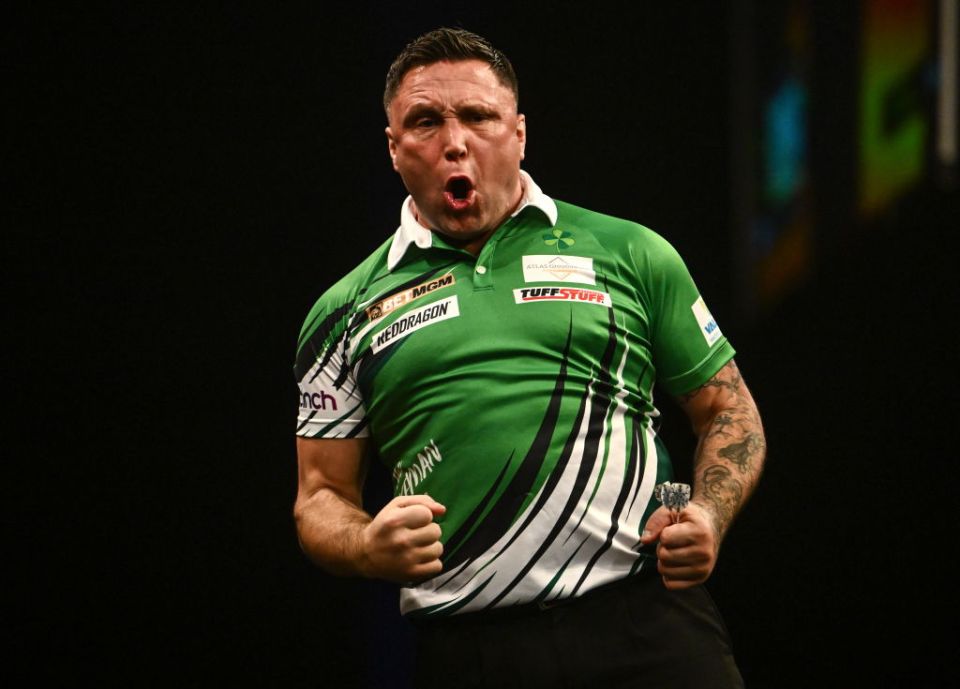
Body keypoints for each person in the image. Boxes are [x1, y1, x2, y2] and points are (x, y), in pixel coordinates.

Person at [293, 27, 765, 688]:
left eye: (479, 117)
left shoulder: (631, 253)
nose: (455, 141)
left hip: (647, 625)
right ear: (394, 149)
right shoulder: (343, 311)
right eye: (425, 122)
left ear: (518, 133)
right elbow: (319, 494)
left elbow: (728, 407)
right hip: (472, 650)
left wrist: (709, 515)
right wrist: (368, 545)